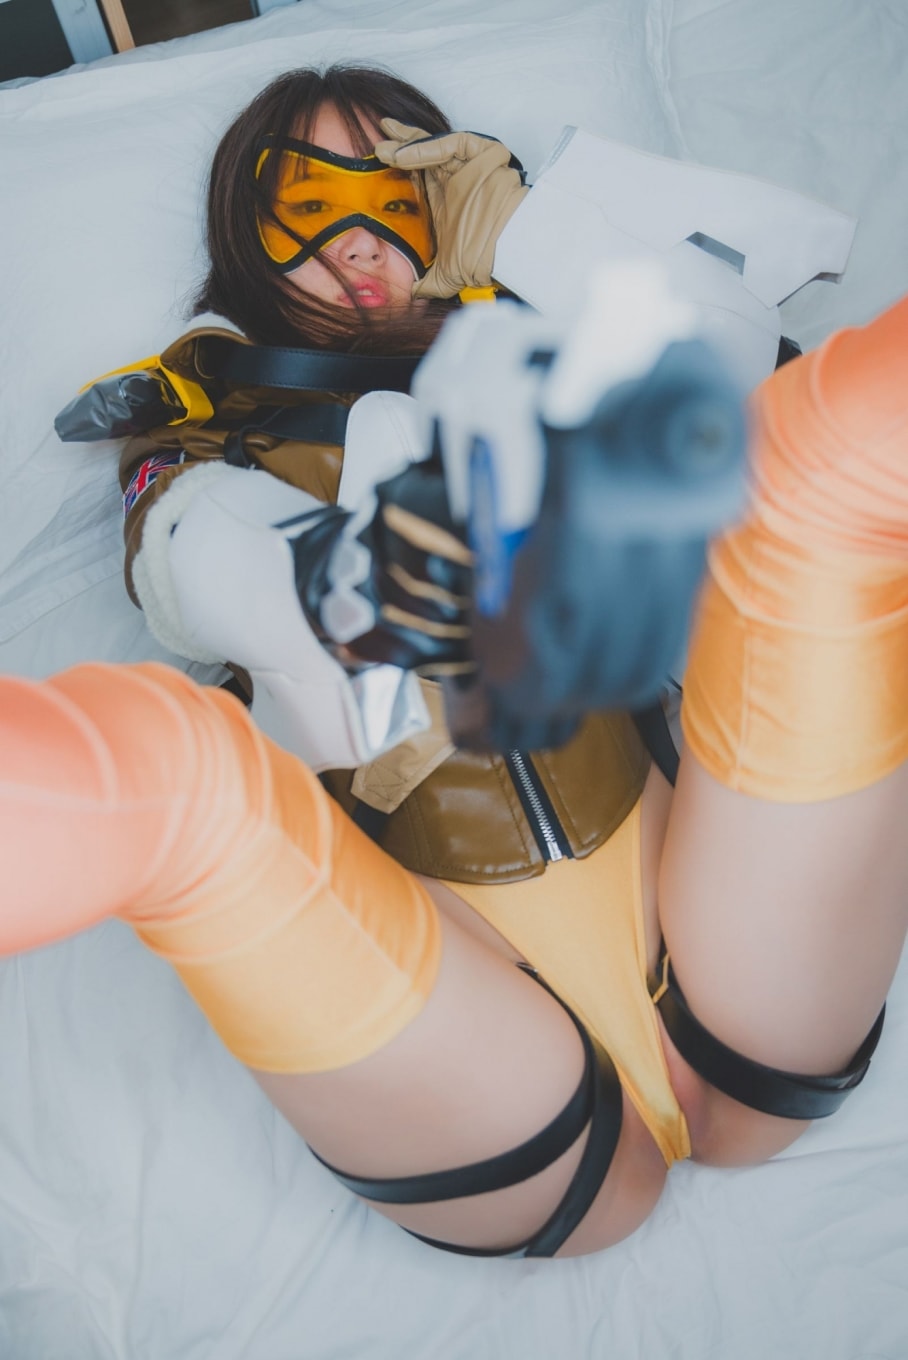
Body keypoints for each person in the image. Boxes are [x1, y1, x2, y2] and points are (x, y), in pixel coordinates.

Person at [42, 63, 905, 1259]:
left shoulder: (555, 349)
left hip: (726, 956)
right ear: (244, 233)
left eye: (392, 195)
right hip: (470, 1056)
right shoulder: (203, 438)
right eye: (307, 201)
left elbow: (727, 365)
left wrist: (520, 230)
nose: (357, 241)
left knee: (822, 466)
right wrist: (337, 578)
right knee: (196, 801)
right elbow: (194, 564)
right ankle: (117, 794)